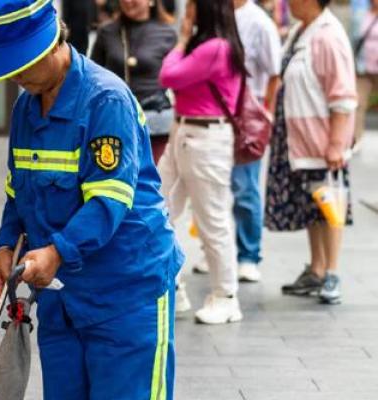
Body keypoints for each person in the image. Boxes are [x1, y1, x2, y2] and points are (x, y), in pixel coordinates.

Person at [0, 1, 183, 398]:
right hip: (64, 298)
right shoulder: (25, 109)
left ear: (53, 43)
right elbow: (18, 191)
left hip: (126, 292)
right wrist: (5, 243)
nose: (15, 76)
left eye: (22, 64)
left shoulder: (106, 101)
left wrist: (56, 252)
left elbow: (109, 200)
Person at [158, 0, 246, 324]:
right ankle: (173, 284)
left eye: (193, 6)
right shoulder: (211, 46)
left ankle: (226, 296)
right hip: (185, 133)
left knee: (212, 220)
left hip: (205, 139)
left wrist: (181, 40)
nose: (187, 12)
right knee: (160, 209)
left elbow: (168, 75)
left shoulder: (216, 48)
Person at [265, 0, 357, 305]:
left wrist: (336, 143)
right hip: (299, 138)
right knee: (312, 207)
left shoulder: (329, 35)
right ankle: (316, 268)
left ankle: (332, 272)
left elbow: (342, 95)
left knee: (331, 206)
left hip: (321, 139)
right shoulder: (301, 31)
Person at [191, 0, 282, 283]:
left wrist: (264, 112)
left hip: (245, 118)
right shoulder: (212, 13)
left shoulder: (259, 22)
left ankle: (248, 255)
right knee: (209, 189)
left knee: (245, 189)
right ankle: (214, 252)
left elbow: (274, 75)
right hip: (210, 114)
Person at [91, 0, 177, 163]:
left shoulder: (167, 33)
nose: (128, 1)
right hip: (117, 120)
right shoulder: (107, 32)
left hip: (156, 122)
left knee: (156, 180)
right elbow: (94, 76)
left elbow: (177, 80)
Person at [353, 0, 378, 149]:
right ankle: (356, 139)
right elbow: (356, 39)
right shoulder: (361, 16)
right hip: (364, 66)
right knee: (358, 103)